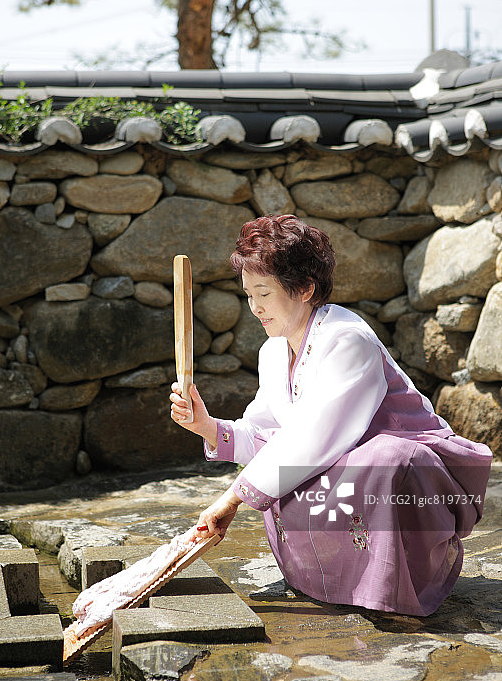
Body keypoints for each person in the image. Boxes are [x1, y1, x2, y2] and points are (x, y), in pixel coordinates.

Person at [169, 215, 492, 616]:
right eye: (249, 295)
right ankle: (330, 581)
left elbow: (312, 438)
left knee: (384, 459)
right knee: (280, 469)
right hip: (338, 462)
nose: (255, 308)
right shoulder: (273, 351)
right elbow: (267, 432)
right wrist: (208, 426)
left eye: (264, 294)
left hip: (418, 477)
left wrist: (232, 500)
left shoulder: (347, 339)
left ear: (305, 288)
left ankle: (394, 581)